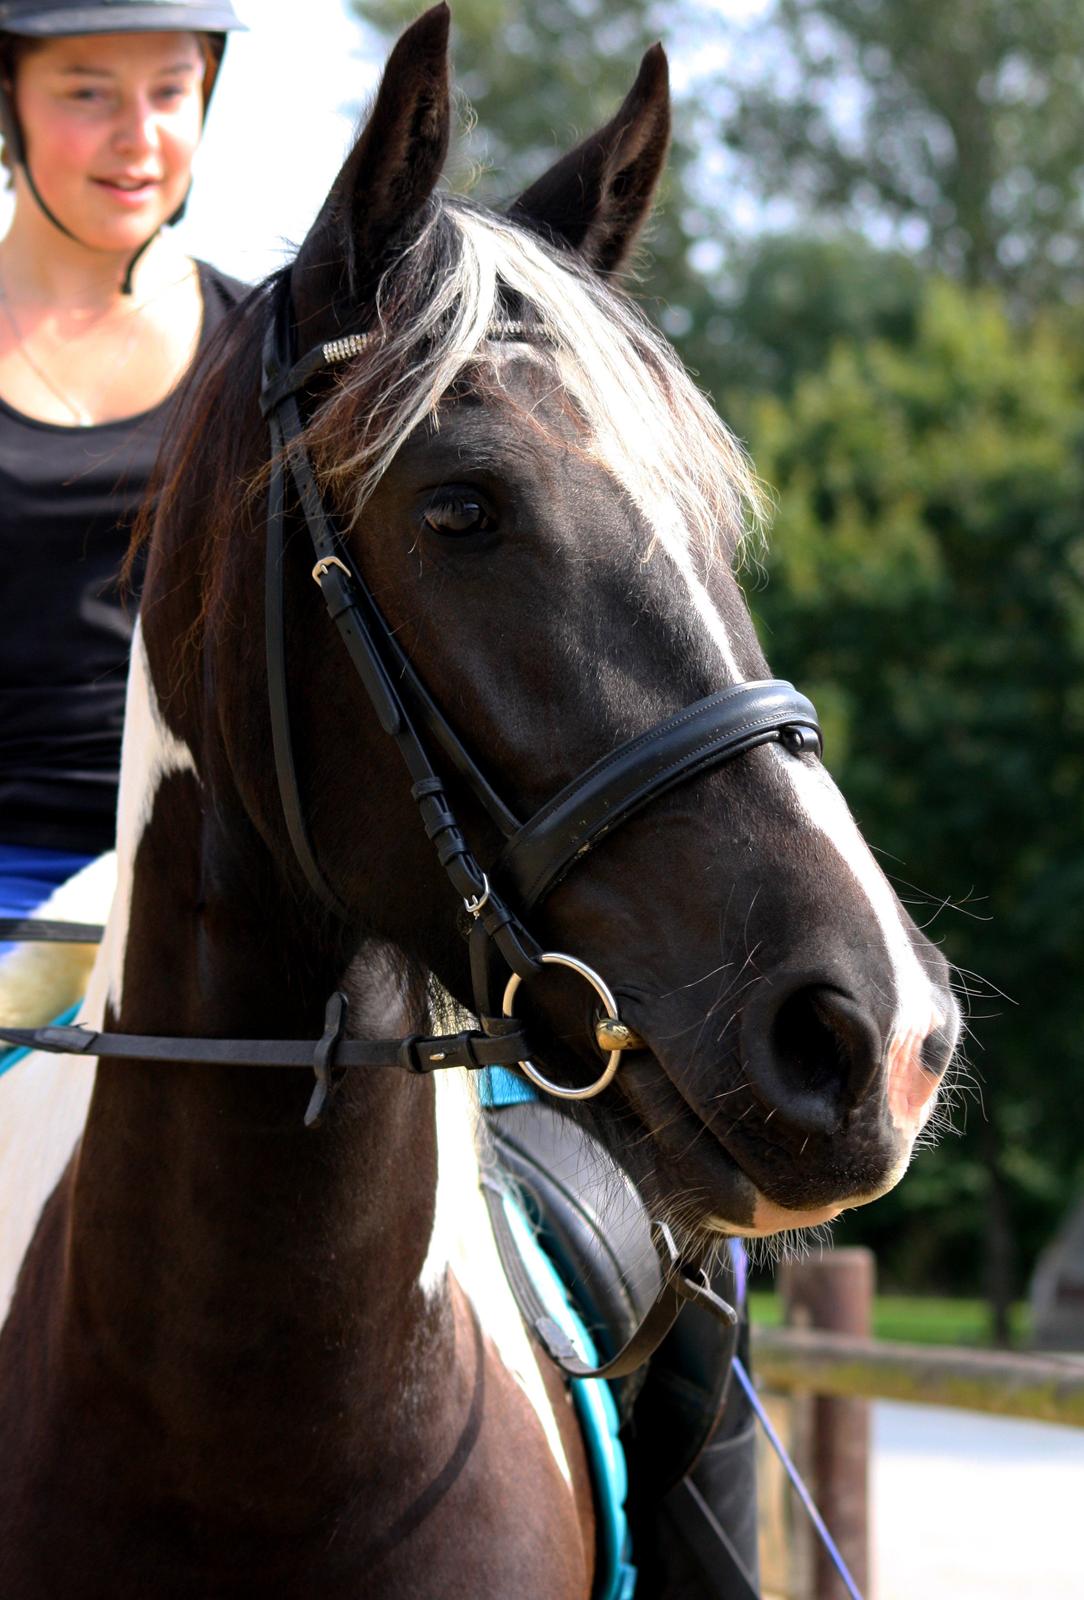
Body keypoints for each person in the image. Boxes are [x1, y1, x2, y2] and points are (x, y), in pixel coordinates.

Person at [0, 0, 247, 1034]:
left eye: (170, 90)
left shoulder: (267, 358)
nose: (137, 136)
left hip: (216, 883)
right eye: (87, 92)